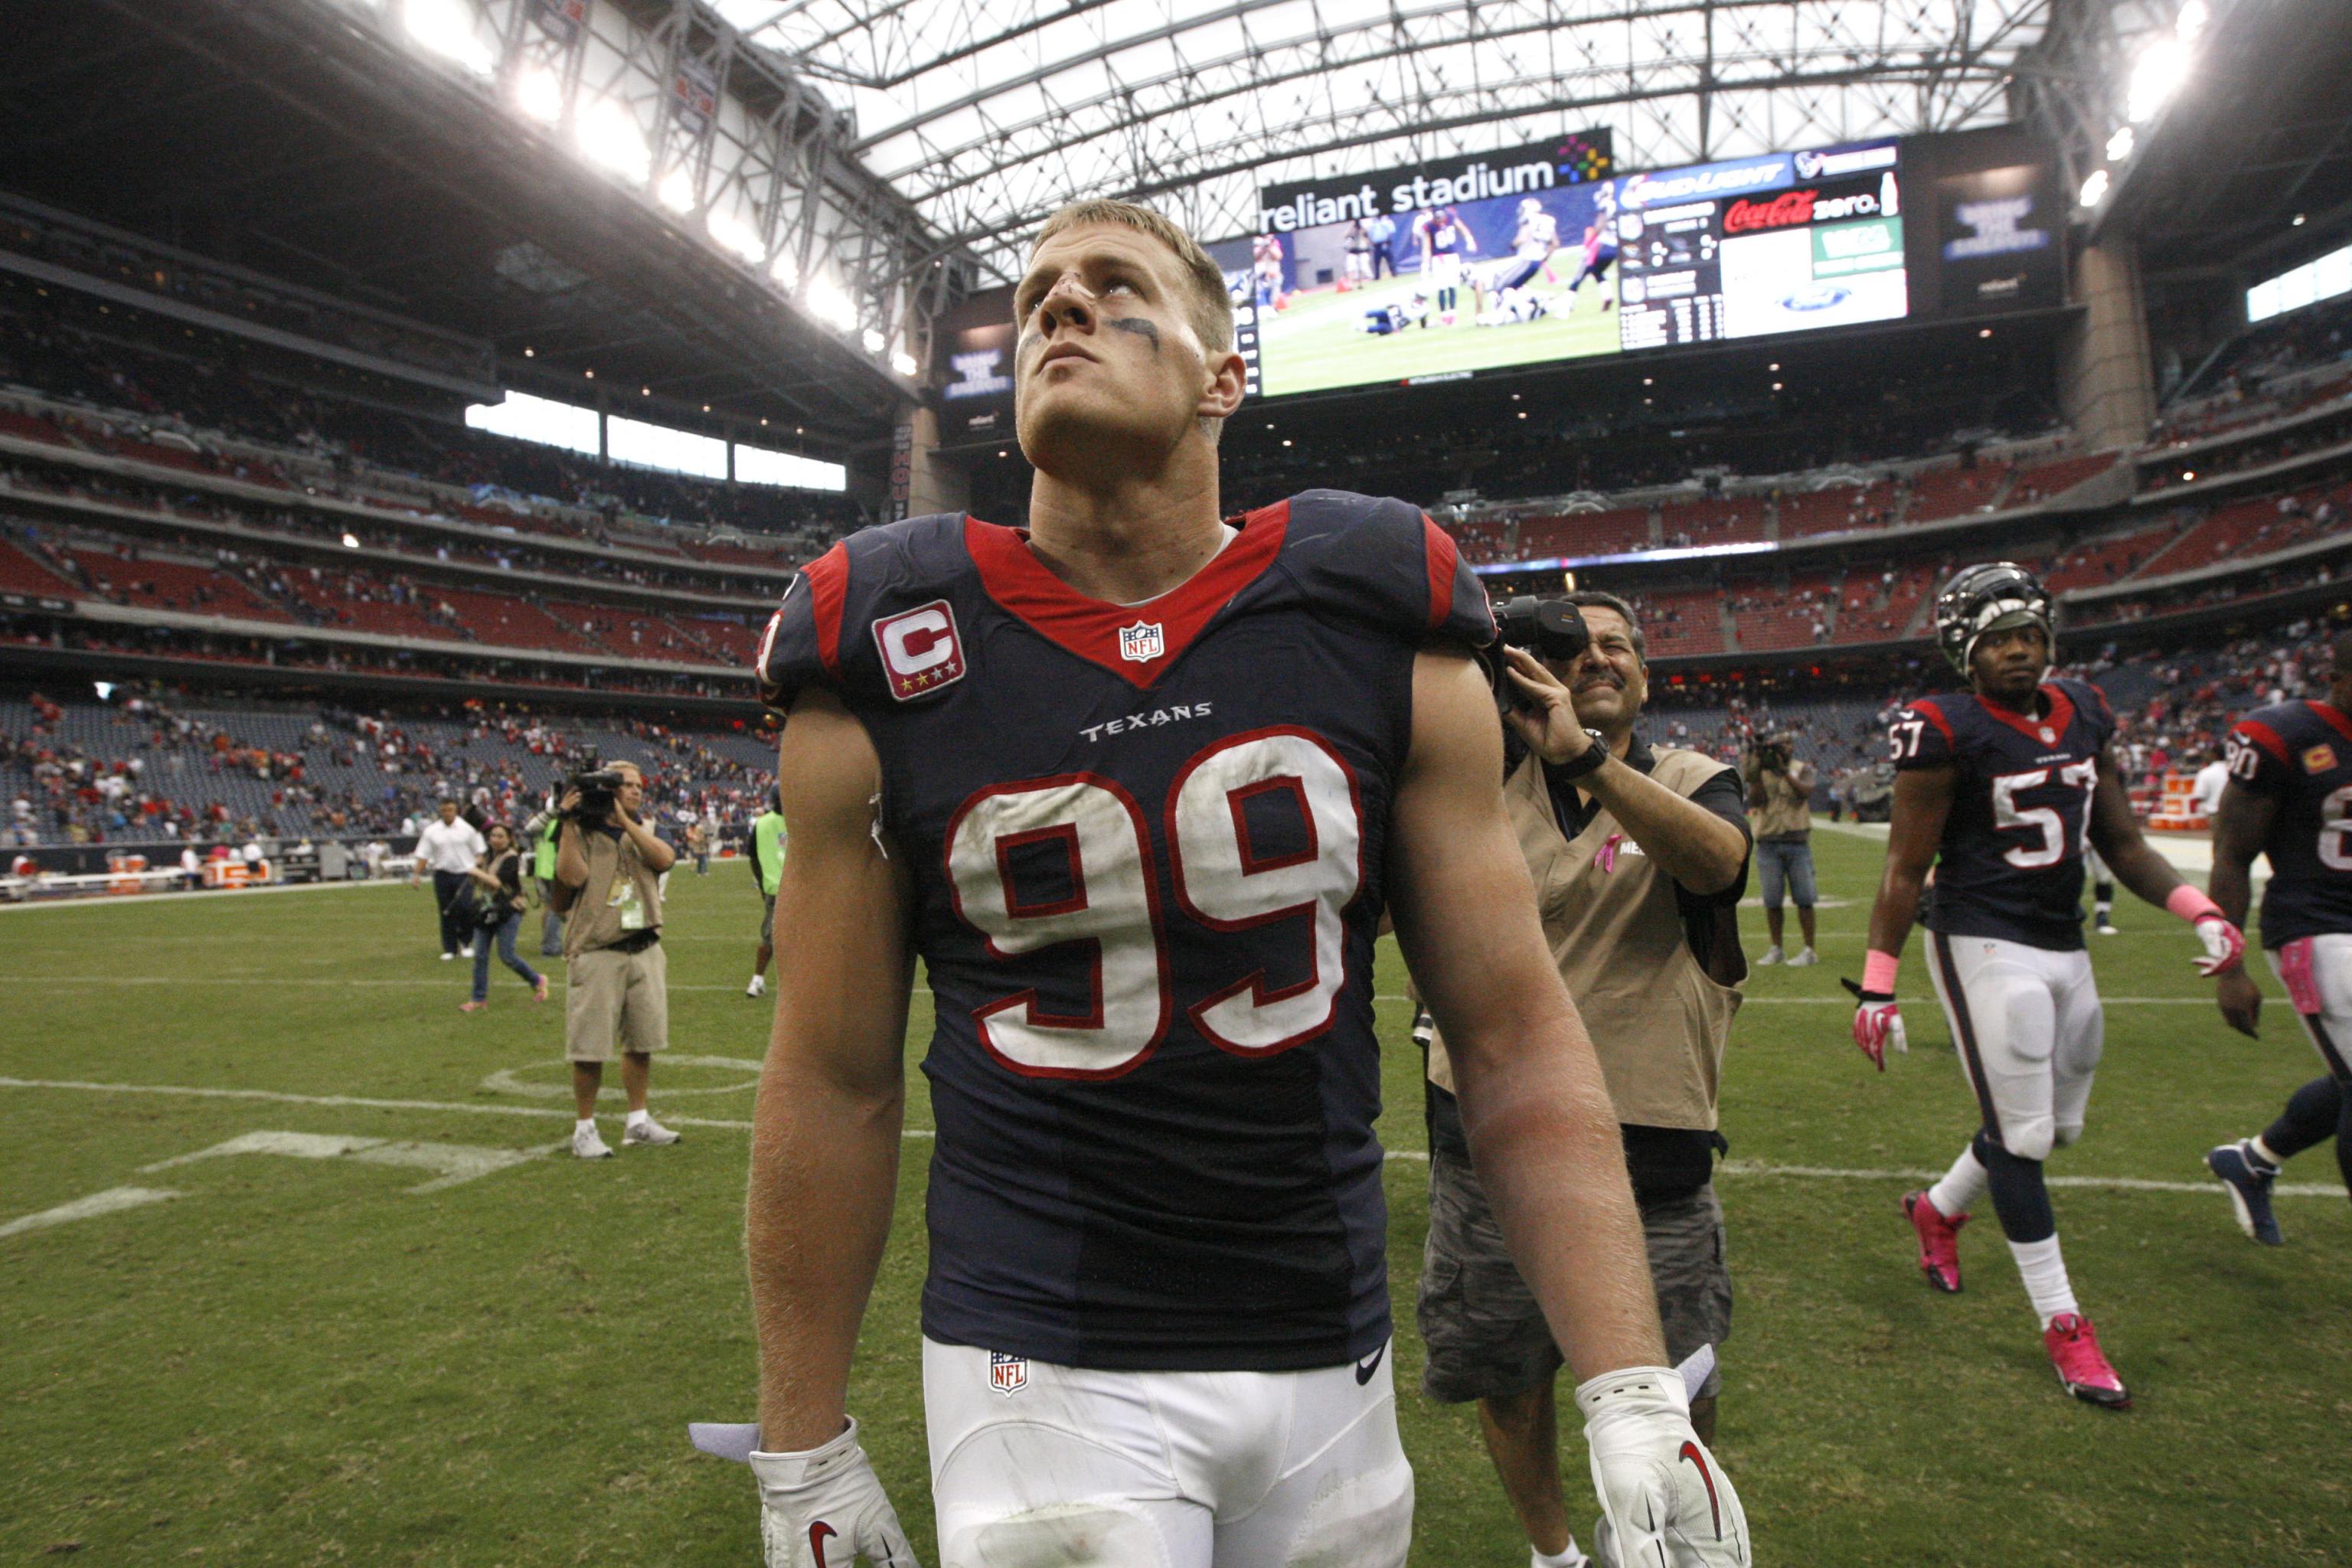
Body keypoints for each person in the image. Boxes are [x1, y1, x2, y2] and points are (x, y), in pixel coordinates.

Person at [739, 199, 1746, 1568]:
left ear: (1224, 379)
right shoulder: (889, 636)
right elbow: (831, 1075)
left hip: (1326, 1346)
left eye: (1109, 284)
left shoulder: (1369, 605)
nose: (1058, 309)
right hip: (1040, 1358)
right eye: (1039, 294)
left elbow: (1508, 1028)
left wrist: (1628, 1382)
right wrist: (800, 1436)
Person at [1851, 563, 2246, 1410]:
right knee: (2024, 1136)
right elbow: (1905, 864)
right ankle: (2065, 1324)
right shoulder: (1940, 725)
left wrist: (2199, 909)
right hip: (1981, 941)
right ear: (1966, 649)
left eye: (2029, 634)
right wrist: (1878, 983)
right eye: (1999, 639)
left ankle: (1940, 1207)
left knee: (2051, 1128)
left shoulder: (2084, 710)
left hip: (2063, 938)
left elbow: (2126, 842)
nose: (2019, 651)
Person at [1419, 593, 1752, 1568]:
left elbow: (1719, 865)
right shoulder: (1474, 783)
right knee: (1507, 1377)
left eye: (1617, 645)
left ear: (1646, 674)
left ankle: (1644, 1540)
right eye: (1570, 647)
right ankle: (1555, 1553)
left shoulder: (1694, 777)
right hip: (1490, 1142)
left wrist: (1584, 759)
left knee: (1677, 1395)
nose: (1596, 658)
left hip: (1654, 1145)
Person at [2203, 629, 2352, 1240]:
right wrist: (2230, 965)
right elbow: (2232, 854)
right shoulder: (2287, 734)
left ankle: (2253, 1161)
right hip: (2315, 927)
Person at [550, 761, 681, 1159]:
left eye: (640, 785)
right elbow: (570, 879)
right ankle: (584, 1129)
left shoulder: (643, 829)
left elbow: (665, 859)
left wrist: (626, 822)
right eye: (626, 785)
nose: (637, 791)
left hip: (644, 947)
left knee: (642, 1042)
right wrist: (569, 823)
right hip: (597, 950)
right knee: (590, 1048)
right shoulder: (579, 831)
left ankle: (637, 1121)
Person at [1742, 731, 1818, 965]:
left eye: (1787, 743)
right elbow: (1756, 802)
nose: (1783, 747)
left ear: (1792, 747)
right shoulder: (1761, 771)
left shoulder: (1803, 768)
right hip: (1769, 842)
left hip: (1797, 841)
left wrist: (1784, 771)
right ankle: (1777, 948)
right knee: (1772, 901)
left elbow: (1804, 792)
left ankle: (1809, 950)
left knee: (1805, 899)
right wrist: (1756, 772)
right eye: (1779, 744)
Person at [459, 822, 548, 1013]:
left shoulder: (512, 858)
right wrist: (476, 871)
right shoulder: (488, 856)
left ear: (509, 839)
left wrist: (475, 871)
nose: (496, 840)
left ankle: (537, 980)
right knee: (480, 955)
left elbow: (497, 882)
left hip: (508, 909)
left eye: (501, 836)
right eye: (493, 836)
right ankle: (478, 999)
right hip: (486, 908)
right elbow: (480, 882)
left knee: (507, 955)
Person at [412, 798, 485, 961]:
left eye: (450, 810)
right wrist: (416, 874)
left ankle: (466, 943)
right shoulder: (431, 831)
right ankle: (450, 948)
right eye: (444, 810)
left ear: (456, 811)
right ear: (440, 811)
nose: (447, 813)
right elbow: (423, 854)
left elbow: (479, 850)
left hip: (465, 874)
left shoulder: (467, 829)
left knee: (465, 908)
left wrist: (479, 861)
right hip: (442, 874)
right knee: (446, 911)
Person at [745, 786, 786, 999]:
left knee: (770, 936)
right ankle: (757, 980)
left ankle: (758, 980)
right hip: (790, 888)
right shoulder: (800, 822)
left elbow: (752, 857)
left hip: (774, 888)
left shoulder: (761, 824)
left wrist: (762, 883)